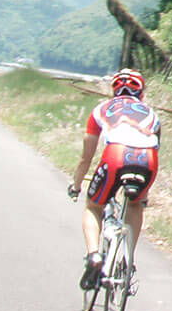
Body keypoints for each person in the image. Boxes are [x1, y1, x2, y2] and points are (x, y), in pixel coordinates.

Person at [68, 68, 162, 290]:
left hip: (115, 156)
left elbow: (86, 158)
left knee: (93, 206)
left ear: (114, 91)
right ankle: (128, 262)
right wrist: (144, 193)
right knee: (136, 205)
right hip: (148, 159)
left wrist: (77, 185)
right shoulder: (152, 115)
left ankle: (94, 257)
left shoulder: (101, 109)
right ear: (142, 93)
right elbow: (155, 147)